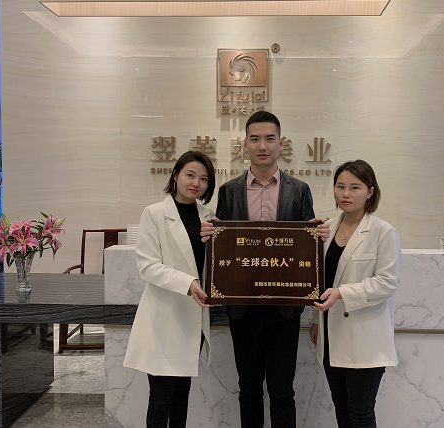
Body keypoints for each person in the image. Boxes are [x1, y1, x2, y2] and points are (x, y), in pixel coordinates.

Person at [201, 110, 330, 428]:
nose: (263, 146)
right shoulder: (228, 191)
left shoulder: (299, 189)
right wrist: (211, 235)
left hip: (284, 309)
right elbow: (225, 247)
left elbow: (305, 251)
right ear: (244, 144)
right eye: (255, 139)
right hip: (242, 306)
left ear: (281, 143)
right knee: (248, 390)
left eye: (270, 138)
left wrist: (316, 235)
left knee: (283, 391)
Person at [124, 150, 216, 428]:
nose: (196, 183)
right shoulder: (154, 213)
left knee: (181, 396)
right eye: (190, 175)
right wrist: (187, 283)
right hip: (164, 318)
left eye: (203, 179)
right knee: (161, 398)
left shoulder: (209, 217)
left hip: (193, 320)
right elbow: (148, 266)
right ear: (175, 175)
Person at [309, 159, 401, 428]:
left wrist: (342, 293)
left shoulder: (383, 231)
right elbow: (318, 280)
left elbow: (387, 282)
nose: (346, 194)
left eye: (354, 187)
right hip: (331, 334)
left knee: (361, 413)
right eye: (340, 187)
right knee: (341, 407)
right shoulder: (326, 229)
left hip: (365, 336)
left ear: (370, 192)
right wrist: (315, 321)